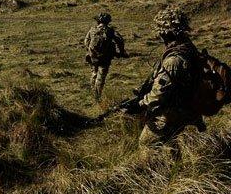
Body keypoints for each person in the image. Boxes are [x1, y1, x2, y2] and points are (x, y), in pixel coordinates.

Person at [136, 8, 204, 147]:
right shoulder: (188, 47)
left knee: (146, 143)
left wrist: (141, 103)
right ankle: (176, 167)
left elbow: (158, 95)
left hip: (173, 111)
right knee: (171, 143)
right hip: (186, 106)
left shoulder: (173, 60)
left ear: (166, 33)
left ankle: (152, 168)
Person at [84, 12, 127, 101]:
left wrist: (90, 50)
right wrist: (121, 52)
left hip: (92, 57)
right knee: (101, 76)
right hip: (105, 57)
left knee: (94, 73)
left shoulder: (92, 29)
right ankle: (98, 96)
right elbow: (120, 41)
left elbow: (86, 41)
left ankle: (93, 92)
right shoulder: (110, 31)